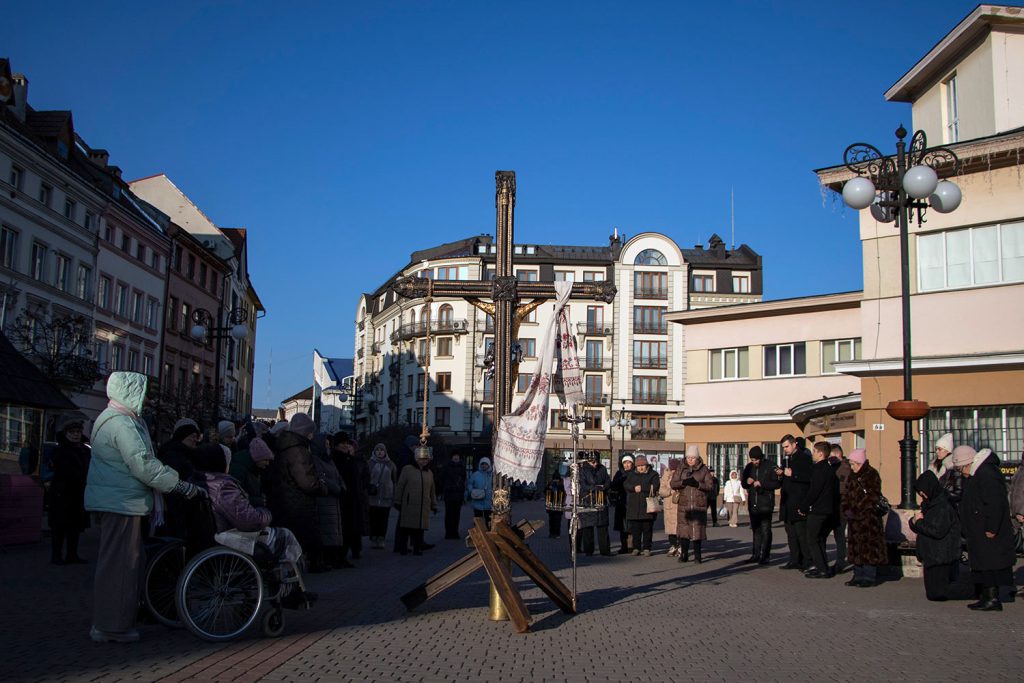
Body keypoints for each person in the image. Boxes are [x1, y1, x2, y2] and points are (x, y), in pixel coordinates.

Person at [84, 371, 203, 643]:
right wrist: (179, 485)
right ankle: (112, 625)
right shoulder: (123, 423)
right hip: (122, 502)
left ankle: (111, 621)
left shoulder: (115, 418)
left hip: (120, 500)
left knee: (121, 563)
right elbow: (142, 463)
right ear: (130, 392)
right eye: (143, 392)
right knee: (121, 565)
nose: (146, 398)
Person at [191, 447, 314, 608]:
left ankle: (289, 590)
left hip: (216, 534)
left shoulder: (198, 481)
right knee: (286, 536)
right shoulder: (223, 486)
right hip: (233, 537)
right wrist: (265, 513)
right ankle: (288, 591)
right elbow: (248, 521)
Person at [952, 445, 1015, 611]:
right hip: (980, 529)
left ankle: (992, 598)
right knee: (984, 563)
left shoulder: (986, 474)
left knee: (989, 563)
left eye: (959, 468)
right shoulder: (979, 474)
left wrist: (991, 527)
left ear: (967, 463)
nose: (960, 473)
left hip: (987, 530)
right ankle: (986, 596)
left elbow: (995, 503)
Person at [268, 414, 327, 566]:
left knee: (289, 546)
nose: (313, 435)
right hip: (298, 504)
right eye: (311, 432)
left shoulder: (283, 447)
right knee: (297, 547)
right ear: (305, 432)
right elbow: (306, 482)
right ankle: (293, 584)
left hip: (284, 501)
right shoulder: (298, 451)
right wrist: (321, 487)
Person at [909, 470, 961, 601]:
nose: (922, 495)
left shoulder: (943, 506)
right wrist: (914, 522)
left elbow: (937, 531)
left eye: (922, 491)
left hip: (941, 556)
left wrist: (919, 522)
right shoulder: (929, 504)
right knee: (933, 593)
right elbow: (921, 525)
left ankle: (978, 590)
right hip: (930, 555)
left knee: (940, 593)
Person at [842, 448, 887, 588]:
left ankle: (869, 576)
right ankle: (857, 575)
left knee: (868, 547)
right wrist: (846, 508)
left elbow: (872, 496)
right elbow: (846, 494)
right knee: (855, 547)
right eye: (850, 464)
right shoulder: (851, 475)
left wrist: (856, 510)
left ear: (860, 462)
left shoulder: (871, 474)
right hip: (854, 519)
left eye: (854, 464)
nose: (852, 467)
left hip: (868, 519)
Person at [48, 417, 91, 564]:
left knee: (75, 527)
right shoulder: (60, 449)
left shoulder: (85, 450)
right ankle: (56, 556)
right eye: (72, 432)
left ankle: (72, 554)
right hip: (62, 493)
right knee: (59, 526)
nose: (75, 435)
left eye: (78, 432)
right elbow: (57, 468)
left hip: (78, 493)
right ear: (66, 433)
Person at [798, 442, 839, 578]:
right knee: (819, 539)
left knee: (812, 539)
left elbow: (814, 491)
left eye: (815, 451)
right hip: (827, 509)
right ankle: (823, 566)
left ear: (821, 453)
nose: (813, 454)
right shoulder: (829, 469)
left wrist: (804, 507)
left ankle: (822, 569)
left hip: (818, 510)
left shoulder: (820, 469)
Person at [670, 445, 714, 563]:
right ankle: (684, 554)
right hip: (684, 504)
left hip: (698, 504)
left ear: (697, 458)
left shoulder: (704, 469)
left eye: (693, 458)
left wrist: (698, 484)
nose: (690, 460)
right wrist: (683, 482)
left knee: (697, 530)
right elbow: (673, 484)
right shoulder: (681, 468)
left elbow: (710, 486)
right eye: (688, 457)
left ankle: (697, 556)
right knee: (684, 530)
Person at [776, 434, 812, 571]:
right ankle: (794, 559)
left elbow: (809, 477)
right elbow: (785, 477)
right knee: (791, 534)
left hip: (798, 501)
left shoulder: (804, 459)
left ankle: (807, 561)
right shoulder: (787, 460)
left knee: (801, 534)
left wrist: (793, 474)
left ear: (794, 444)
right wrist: (780, 474)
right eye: (783, 447)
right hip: (787, 502)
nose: (785, 449)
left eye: (786, 446)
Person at [394, 446, 436, 555]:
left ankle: (417, 548)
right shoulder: (407, 469)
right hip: (409, 504)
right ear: (416, 458)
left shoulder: (429, 473)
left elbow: (432, 490)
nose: (424, 461)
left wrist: (434, 504)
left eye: (426, 459)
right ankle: (402, 548)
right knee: (406, 528)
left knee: (419, 529)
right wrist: (397, 501)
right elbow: (400, 485)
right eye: (422, 459)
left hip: (423, 506)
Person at [333, 432, 369, 561]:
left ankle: (353, 550)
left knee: (353, 526)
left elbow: (362, 477)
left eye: (347, 444)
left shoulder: (353, 460)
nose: (346, 446)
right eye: (343, 444)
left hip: (355, 497)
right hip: (343, 497)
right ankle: (341, 554)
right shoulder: (337, 460)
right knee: (345, 526)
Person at [741, 446, 779, 565]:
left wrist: (762, 484)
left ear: (761, 458)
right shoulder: (749, 467)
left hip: (766, 503)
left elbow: (777, 483)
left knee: (766, 529)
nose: (755, 462)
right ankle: (755, 554)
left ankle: (765, 555)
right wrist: (747, 482)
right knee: (756, 530)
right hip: (753, 503)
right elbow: (743, 483)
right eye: (752, 459)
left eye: (757, 459)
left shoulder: (770, 465)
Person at [312, 433, 344, 571]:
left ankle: (331, 558)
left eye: (328, 444)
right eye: (325, 445)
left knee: (332, 530)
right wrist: (337, 488)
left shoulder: (330, 461)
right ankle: (323, 559)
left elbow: (338, 476)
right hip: (324, 500)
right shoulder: (315, 460)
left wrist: (342, 486)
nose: (328, 447)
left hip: (333, 501)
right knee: (325, 531)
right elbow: (322, 478)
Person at [624, 454, 660, 555]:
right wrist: (633, 488)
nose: (640, 468)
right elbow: (626, 484)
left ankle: (647, 548)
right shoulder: (631, 474)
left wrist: (642, 487)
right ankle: (636, 547)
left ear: (646, 465)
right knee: (636, 530)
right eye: (638, 466)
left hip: (648, 507)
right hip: (634, 507)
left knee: (647, 529)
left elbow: (656, 486)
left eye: (642, 465)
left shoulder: (653, 474)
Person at [577, 452, 612, 556]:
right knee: (588, 527)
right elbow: (583, 485)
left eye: (596, 461)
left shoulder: (602, 469)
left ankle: (605, 550)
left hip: (601, 500)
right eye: (593, 461)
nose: (595, 463)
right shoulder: (583, 470)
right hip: (588, 501)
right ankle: (589, 550)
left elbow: (608, 481)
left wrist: (604, 487)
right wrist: (596, 488)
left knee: (603, 527)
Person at [229, 436, 274, 507]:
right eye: (265, 460)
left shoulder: (255, 468)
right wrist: (258, 501)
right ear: (257, 458)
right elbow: (235, 497)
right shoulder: (239, 469)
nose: (267, 463)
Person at [366, 443, 397, 549]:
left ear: (385, 452)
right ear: (374, 451)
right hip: (373, 496)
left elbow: (394, 480)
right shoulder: (369, 463)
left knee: (383, 519)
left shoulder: (391, 464)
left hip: (386, 496)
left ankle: (381, 538)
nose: (380, 452)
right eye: (377, 450)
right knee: (373, 518)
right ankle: (373, 537)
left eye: (382, 450)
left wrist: (394, 495)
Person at [828, 444, 851, 574]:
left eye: (831, 456)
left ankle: (841, 562)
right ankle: (840, 560)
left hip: (842, 506)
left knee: (840, 534)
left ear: (837, 455)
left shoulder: (843, 468)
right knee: (839, 534)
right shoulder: (838, 467)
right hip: (838, 505)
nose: (829, 459)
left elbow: (842, 488)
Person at [929, 433, 963, 505]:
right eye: (936, 449)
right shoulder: (935, 464)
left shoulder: (952, 465)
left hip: (948, 501)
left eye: (940, 449)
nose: (937, 452)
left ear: (947, 450)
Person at [610, 454, 634, 553]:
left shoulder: (635, 473)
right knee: (622, 526)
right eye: (625, 463)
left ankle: (632, 546)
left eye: (629, 462)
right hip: (621, 501)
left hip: (633, 501)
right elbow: (613, 486)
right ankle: (624, 546)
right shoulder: (619, 473)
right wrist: (620, 480)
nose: (627, 465)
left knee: (632, 525)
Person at [441, 453, 467, 540]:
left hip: (458, 494)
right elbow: (442, 479)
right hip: (449, 493)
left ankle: (455, 532)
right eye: (454, 456)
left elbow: (464, 479)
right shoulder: (447, 467)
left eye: (457, 456)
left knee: (456, 514)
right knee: (449, 514)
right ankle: (449, 533)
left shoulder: (462, 467)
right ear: (451, 457)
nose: (456, 457)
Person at [467, 457, 494, 529]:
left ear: (489, 465)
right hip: (477, 501)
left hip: (488, 502)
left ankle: (488, 534)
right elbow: (469, 483)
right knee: (478, 519)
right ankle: (478, 534)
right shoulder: (475, 474)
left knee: (489, 520)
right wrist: (471, 491)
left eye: (486, 464)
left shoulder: (492, 475)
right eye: (482, 464)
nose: (484, 466)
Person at [660, 458, 680, 556]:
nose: (673, 471)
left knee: (680, 528)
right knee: (670, 529)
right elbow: (661, 490)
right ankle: (673, 546)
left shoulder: (681, 476)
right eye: (672, 469)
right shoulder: (665, 476)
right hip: (669, 506)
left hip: (679, 505)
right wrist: (670, 491)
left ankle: (680, 547)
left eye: (675, 469)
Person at [546, 469, 564, 539]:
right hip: (558, 504)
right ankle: (556, 533)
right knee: (557, 520)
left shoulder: (550, 484)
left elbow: (545, 492)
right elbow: (563, 493)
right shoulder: (561, 485)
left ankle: (551, 533)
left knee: (551, 520)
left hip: (550, 504)